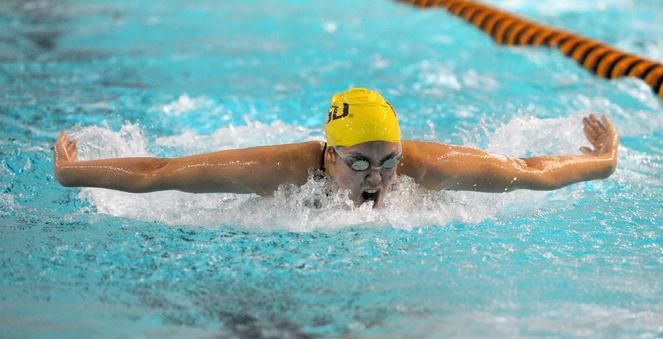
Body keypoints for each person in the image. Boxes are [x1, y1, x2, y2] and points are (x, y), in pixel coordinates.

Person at [53, 88, 619, 208]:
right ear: (329, 156)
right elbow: (161, 173)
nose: (378, 179)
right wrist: (72, 174)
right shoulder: (277, 169)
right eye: (361, 164)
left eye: (389, 161)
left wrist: (603, 160)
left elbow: (531, 171)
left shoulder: (427, 168)